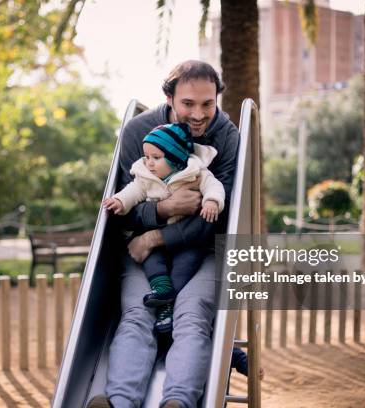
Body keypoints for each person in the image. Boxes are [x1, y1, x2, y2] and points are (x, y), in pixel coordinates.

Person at [87, 60, 239, 408]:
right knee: (138, 314)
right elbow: (124, 212)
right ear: (169, 98)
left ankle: (179, 402)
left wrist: (155, 237)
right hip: (144, 254)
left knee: (192, 314)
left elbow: (219, 217)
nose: (199, 115)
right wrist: (164, 209)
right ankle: (120, 402)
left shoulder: (226, 137)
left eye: (208, 103)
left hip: (202, 250)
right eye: (188, 104)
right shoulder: (138, 133)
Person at [103, 122, 225, 333]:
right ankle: (162, 289)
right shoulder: (146, 177)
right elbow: (133, 191)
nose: (149, 163)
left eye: (156, 158)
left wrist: (212, 201)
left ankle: (168, 306)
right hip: (156, 239)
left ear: (176, 157)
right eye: (147, 157)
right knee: (150, 259)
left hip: (187, 242)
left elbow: (214, 186)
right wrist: (120, 201)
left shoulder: (195, 173)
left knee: (184, 266)